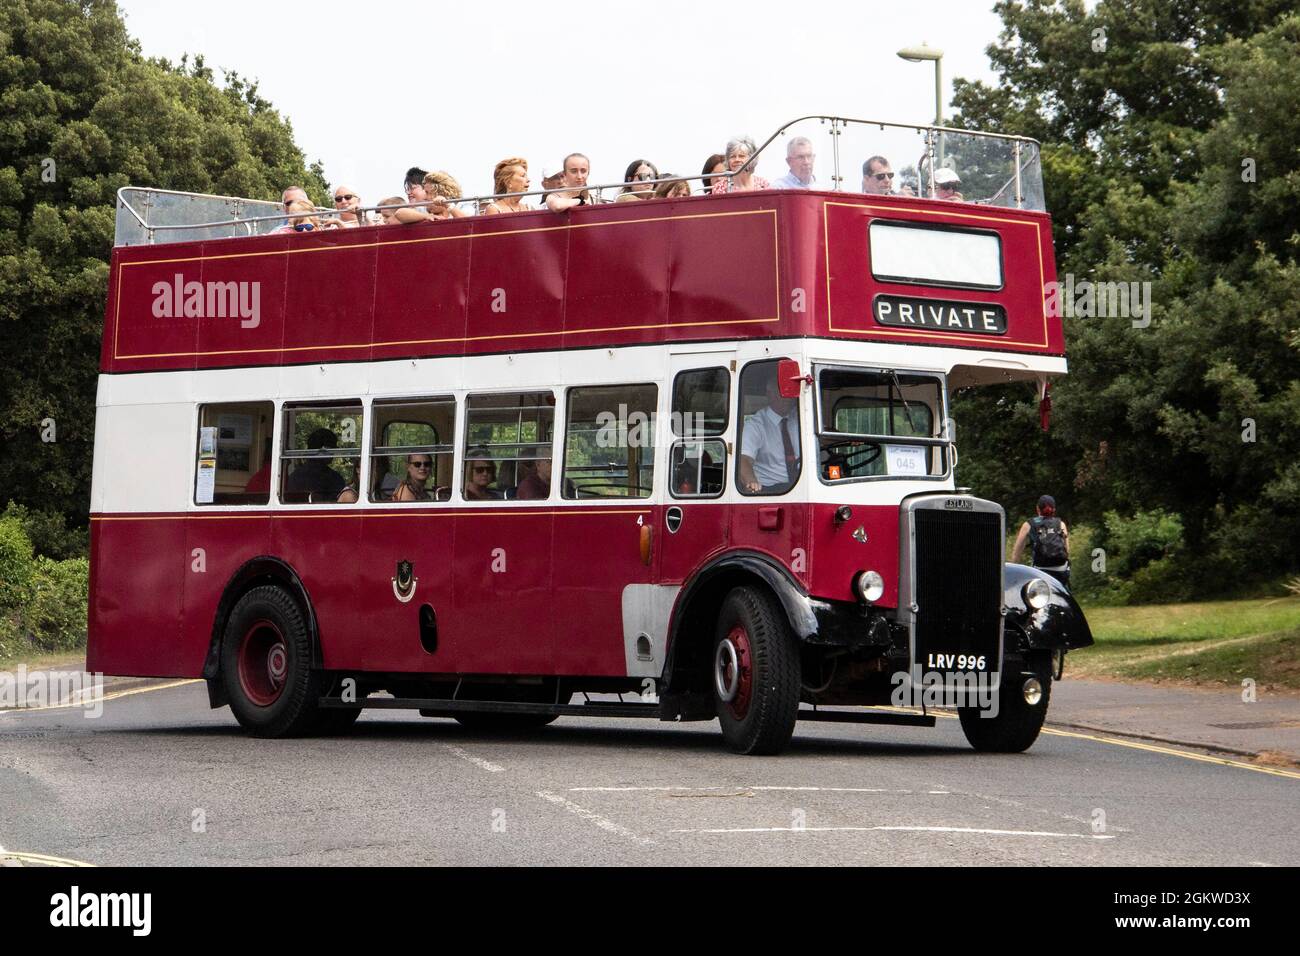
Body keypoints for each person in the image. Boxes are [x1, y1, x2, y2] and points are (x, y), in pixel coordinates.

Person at [738, 370, 800, 494]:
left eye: (789, 394)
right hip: (771, 490)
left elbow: (824, 435)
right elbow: (743, 459)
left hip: (802, 484)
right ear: (769, 394)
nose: (786, 398)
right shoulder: (756, 425)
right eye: (781, 393)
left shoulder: (801, 418)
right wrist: (751, 482)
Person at [1011, 495, 1071, 587]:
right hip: (1061, 570)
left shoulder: (1029, 524)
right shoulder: (1060, 524)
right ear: (1054, 509)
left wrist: (1014, 566)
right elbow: (1067, 550)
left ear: (1037, 509)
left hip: (1041, 570)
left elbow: (1017, 550)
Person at [282, 428, 347, 502]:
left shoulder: (295, 476)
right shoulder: (334, 478)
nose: (333, 454)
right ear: (324, 450)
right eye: (332, 450)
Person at [394, 171, 469, 223]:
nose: (425, 197)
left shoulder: (461, 207)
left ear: (442, 193)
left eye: (427, 192)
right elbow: (399, 213)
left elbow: (469, 223)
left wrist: (447, 204)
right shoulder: (425, 210)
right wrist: (426, 216)